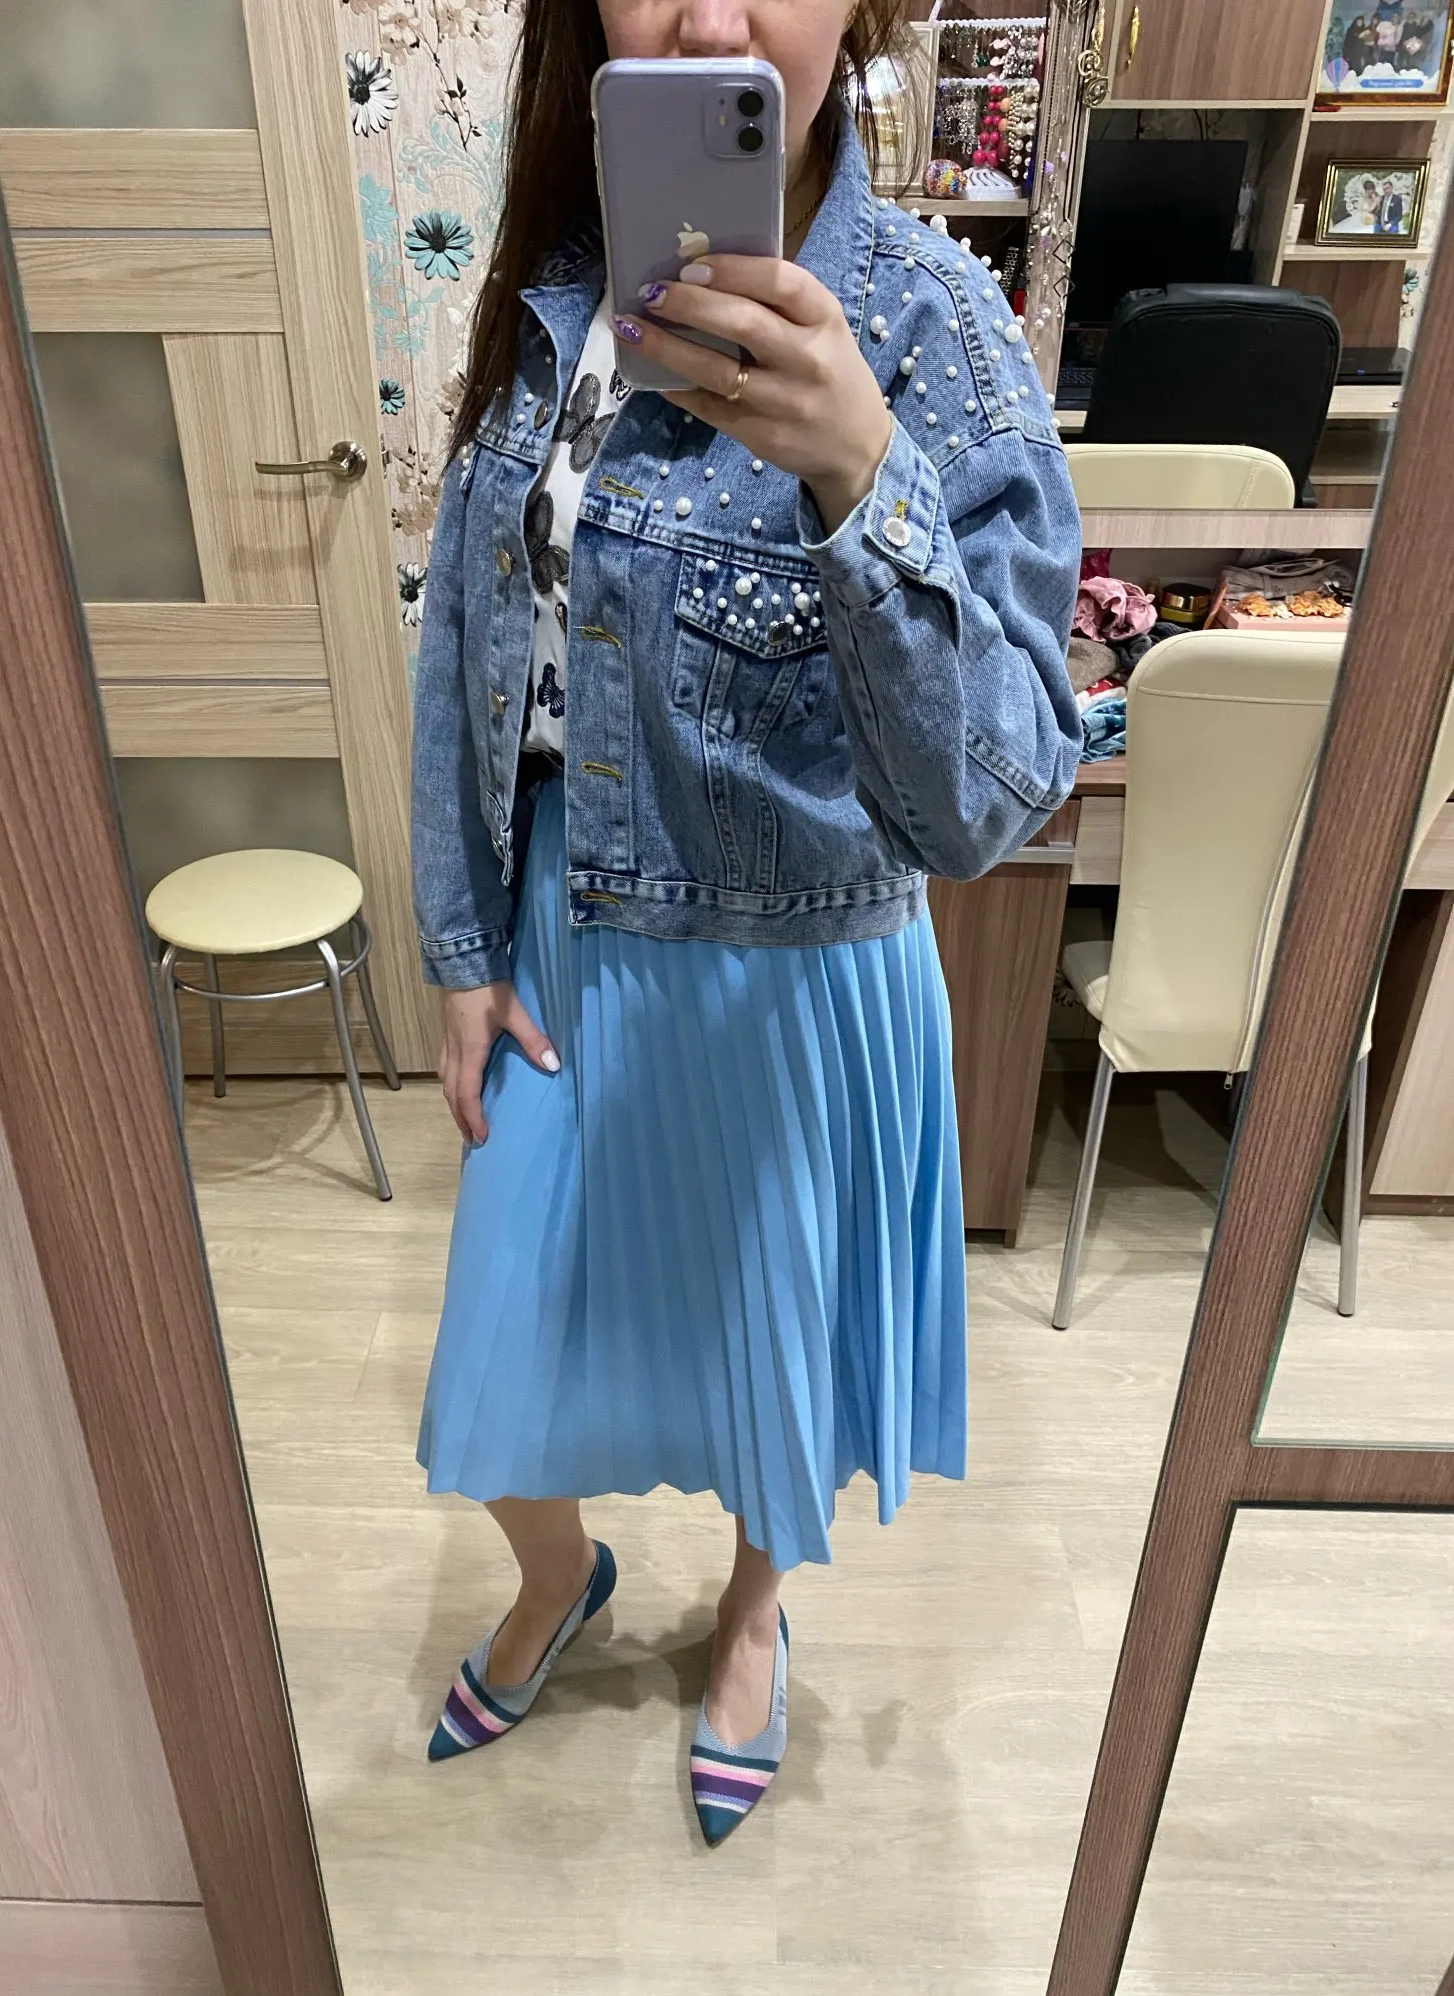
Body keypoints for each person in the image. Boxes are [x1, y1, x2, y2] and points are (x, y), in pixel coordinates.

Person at [411, 0, 1081, 1846]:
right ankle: (560, 1576)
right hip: (568, 939)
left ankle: (755, 1615)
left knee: (773, 1367)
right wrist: (462, 943)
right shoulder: (551, 295)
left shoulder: (935, 329)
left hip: (803, 973)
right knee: (494, 1371)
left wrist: (863, 476)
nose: (706, 17)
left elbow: (996, 796)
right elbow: (465, 632)